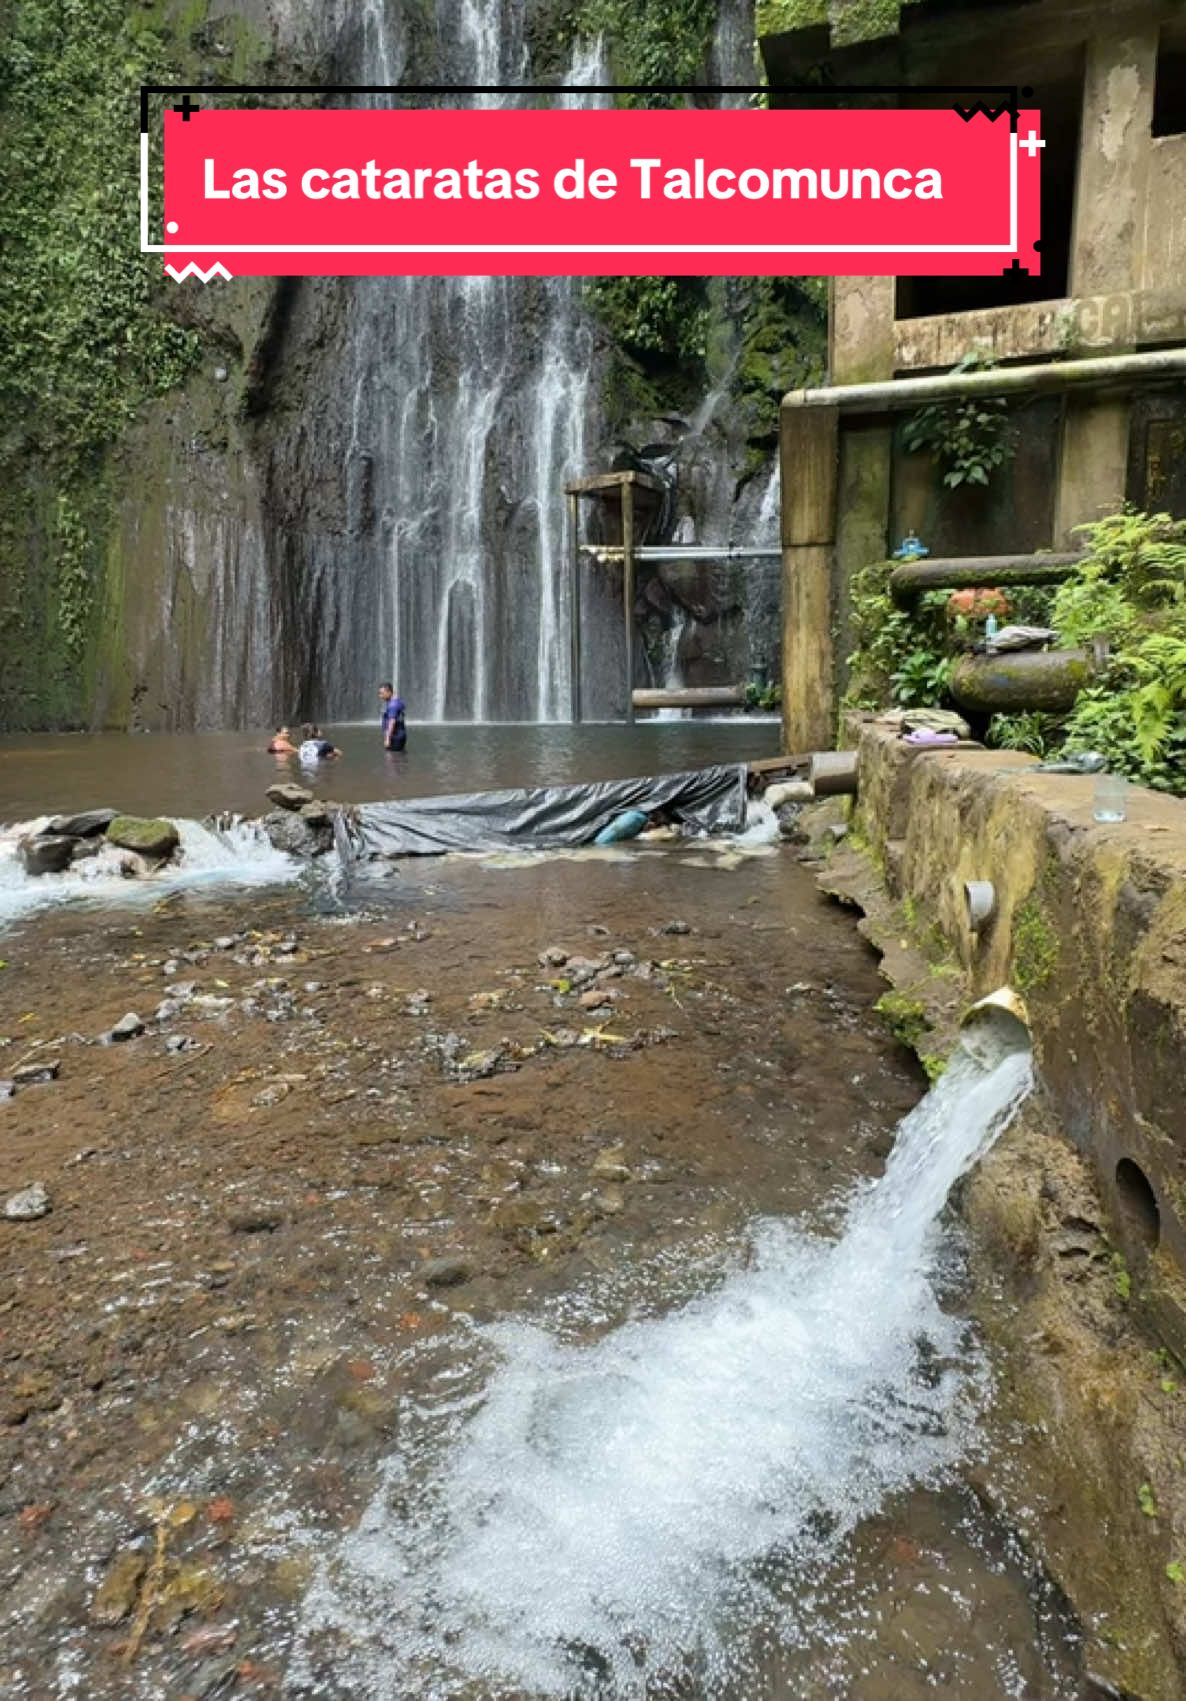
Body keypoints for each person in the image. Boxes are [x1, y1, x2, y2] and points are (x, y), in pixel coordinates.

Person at [379, 682, 407, 752]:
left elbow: (392, 722)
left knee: (390, 758)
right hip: (400, 735)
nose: (380, 696)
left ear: (389, 692)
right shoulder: (397, 701)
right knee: (398, 756)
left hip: (394, 737)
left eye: (382, 693)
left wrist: (388, 738)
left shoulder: (392, 705)